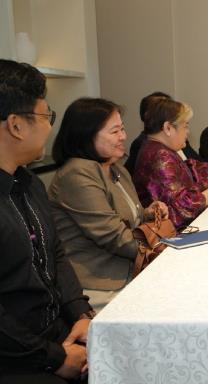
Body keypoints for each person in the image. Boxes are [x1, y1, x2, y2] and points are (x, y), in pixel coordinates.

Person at [0, 59, 93, 383]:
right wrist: (53, 358)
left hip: (56, 334)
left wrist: (80, 312)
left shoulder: (29, 183)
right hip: (17, 358)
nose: (50, 126)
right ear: (16, 125)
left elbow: (55, 254)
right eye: (46, 116)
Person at [48, 98, 169, 311]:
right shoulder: (77, 173)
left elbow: (132, 219)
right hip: (101, 285)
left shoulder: (116, 169)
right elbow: (115, 237)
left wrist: (150, 213)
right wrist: (166, 251)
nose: (123, 136)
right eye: (115, 132)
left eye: (122, 129)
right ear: (86, 134)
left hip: (130, 271)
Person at [134, 98, 208, 229]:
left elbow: (186, 170)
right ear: (168, 128)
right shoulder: (159, 157)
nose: (187, 131)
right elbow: (177, 211)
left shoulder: (158, 148)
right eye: (185, 126)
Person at [124, 91, 202, 175]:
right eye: (185, 126)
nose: (187, 131)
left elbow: (196, 165)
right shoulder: (156, 153)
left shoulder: (174, 142)